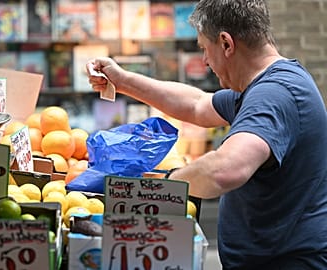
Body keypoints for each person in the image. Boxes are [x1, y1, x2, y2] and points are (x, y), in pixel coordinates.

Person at [87, 0, 327, 269]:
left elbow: (225, 169)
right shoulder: (267, 85)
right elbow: (197, 104)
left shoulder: (272, 95)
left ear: (226, 43)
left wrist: (157, 188)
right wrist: (122, 81)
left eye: (204, 48)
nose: (204, 60)